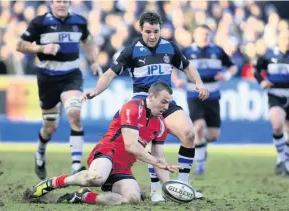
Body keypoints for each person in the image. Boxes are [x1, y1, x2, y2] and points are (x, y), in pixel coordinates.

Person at [80, 11, 209, 201]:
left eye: (156, 31)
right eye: (148, 31)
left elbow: (187, 66)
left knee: (189, 133)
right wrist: (95, 91)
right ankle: (156, 190)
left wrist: (198, 82)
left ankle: (182, 187)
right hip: (143, 102)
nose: (152, 36)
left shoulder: (170, 48)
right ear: (141, 29)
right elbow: (109, 74)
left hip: (166, 102)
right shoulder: (131, 50)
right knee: (153, 144)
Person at [28, 82, 179, 205]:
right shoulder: (132, 108)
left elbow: (160, 158)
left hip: (124, 166)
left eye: (168, 103)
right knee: (96, 178)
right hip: (107, 152)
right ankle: (55, 182)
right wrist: (157, 162)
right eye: (163, 102)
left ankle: (83, 196)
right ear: (151, 97)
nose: (166, 107)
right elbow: (131, 145)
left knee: (133, 199)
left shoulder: (160, 125)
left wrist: (169, 188)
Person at [16, 0, 102, 180]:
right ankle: (40, 152)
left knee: (74, 114)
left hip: (71, 76)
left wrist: (93, 61)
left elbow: (88, 40)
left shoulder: (79, 21)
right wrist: (41, 48)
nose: (61, 5)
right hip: (47, 79)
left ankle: (76, 166)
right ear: (51, 3)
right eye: (58, 1)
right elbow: (20, 45)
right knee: (50, 127)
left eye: (65, 1)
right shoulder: (39, 22)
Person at [172, 24, 237, 175]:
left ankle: (201, 147)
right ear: (195, 35)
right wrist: (176, 81)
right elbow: (172, 67)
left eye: (207, 34)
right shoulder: (187, 51)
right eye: (201, 34)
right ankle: (200, 165)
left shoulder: (217, 51)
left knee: (213, 135)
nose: (204, 37)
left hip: (213, 95)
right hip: (194, 94)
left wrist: (225, 76)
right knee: (199, 126)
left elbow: (232, 67)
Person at [254, 30, 289, 176]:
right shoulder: (269, 54)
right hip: (275, 94)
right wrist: (262, 81)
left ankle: (285, 161)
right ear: (279, 39)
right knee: (277, 125)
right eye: (286, 38)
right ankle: (282, 159)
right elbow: (257, 70)